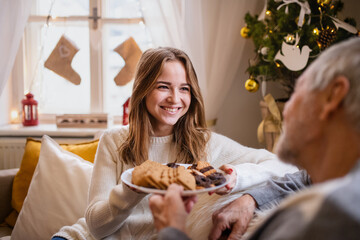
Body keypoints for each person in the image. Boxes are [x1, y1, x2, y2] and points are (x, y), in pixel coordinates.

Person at [52, 47, 296, 239]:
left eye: (184, 89)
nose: (175, 98)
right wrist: (131, 189)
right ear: (143, 90)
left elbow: (285, 165)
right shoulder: (114, 141)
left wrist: (236, 178)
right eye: (163, 87)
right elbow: (95, 227)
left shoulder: (205, 143)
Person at [149, 37, 360, 240]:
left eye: (298, 91)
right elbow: (303, 179)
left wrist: (173, 230)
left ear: (333, 96)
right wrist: (251, 200)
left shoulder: (338, 216)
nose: (283, 112)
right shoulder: (331, 179)